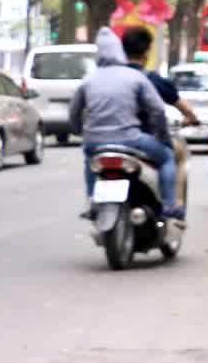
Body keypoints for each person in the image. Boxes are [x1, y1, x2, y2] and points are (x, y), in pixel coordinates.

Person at [71, 27, 182, 221]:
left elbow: (73, 112)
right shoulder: (136, 77)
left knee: (90, 161)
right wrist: (162, 137)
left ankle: (91, 200)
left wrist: (82, 133)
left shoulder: (88, 80)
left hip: (95, 142)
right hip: (130, 140)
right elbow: (157, 110)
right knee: (167, 158)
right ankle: (170, 205)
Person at [120, 25, 196, 216]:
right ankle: (170, 206)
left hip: (108, 139)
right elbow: (168, 110)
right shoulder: (150, 80)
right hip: (141, 139)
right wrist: (191, 118)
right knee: (170, 155)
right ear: (146, 52)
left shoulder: (112, 77)